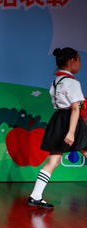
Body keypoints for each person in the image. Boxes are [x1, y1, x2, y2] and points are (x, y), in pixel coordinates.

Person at [28, 47, 87, 209]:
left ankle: (35, 196)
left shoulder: (56, 81)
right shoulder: (73, 83)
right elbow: (75, 109)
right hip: (70, 121)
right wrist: (71, 132)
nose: (80, 64)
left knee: (53, 161)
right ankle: (35, 196)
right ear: (72, 61)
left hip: (59, 120)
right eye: (79, 60)